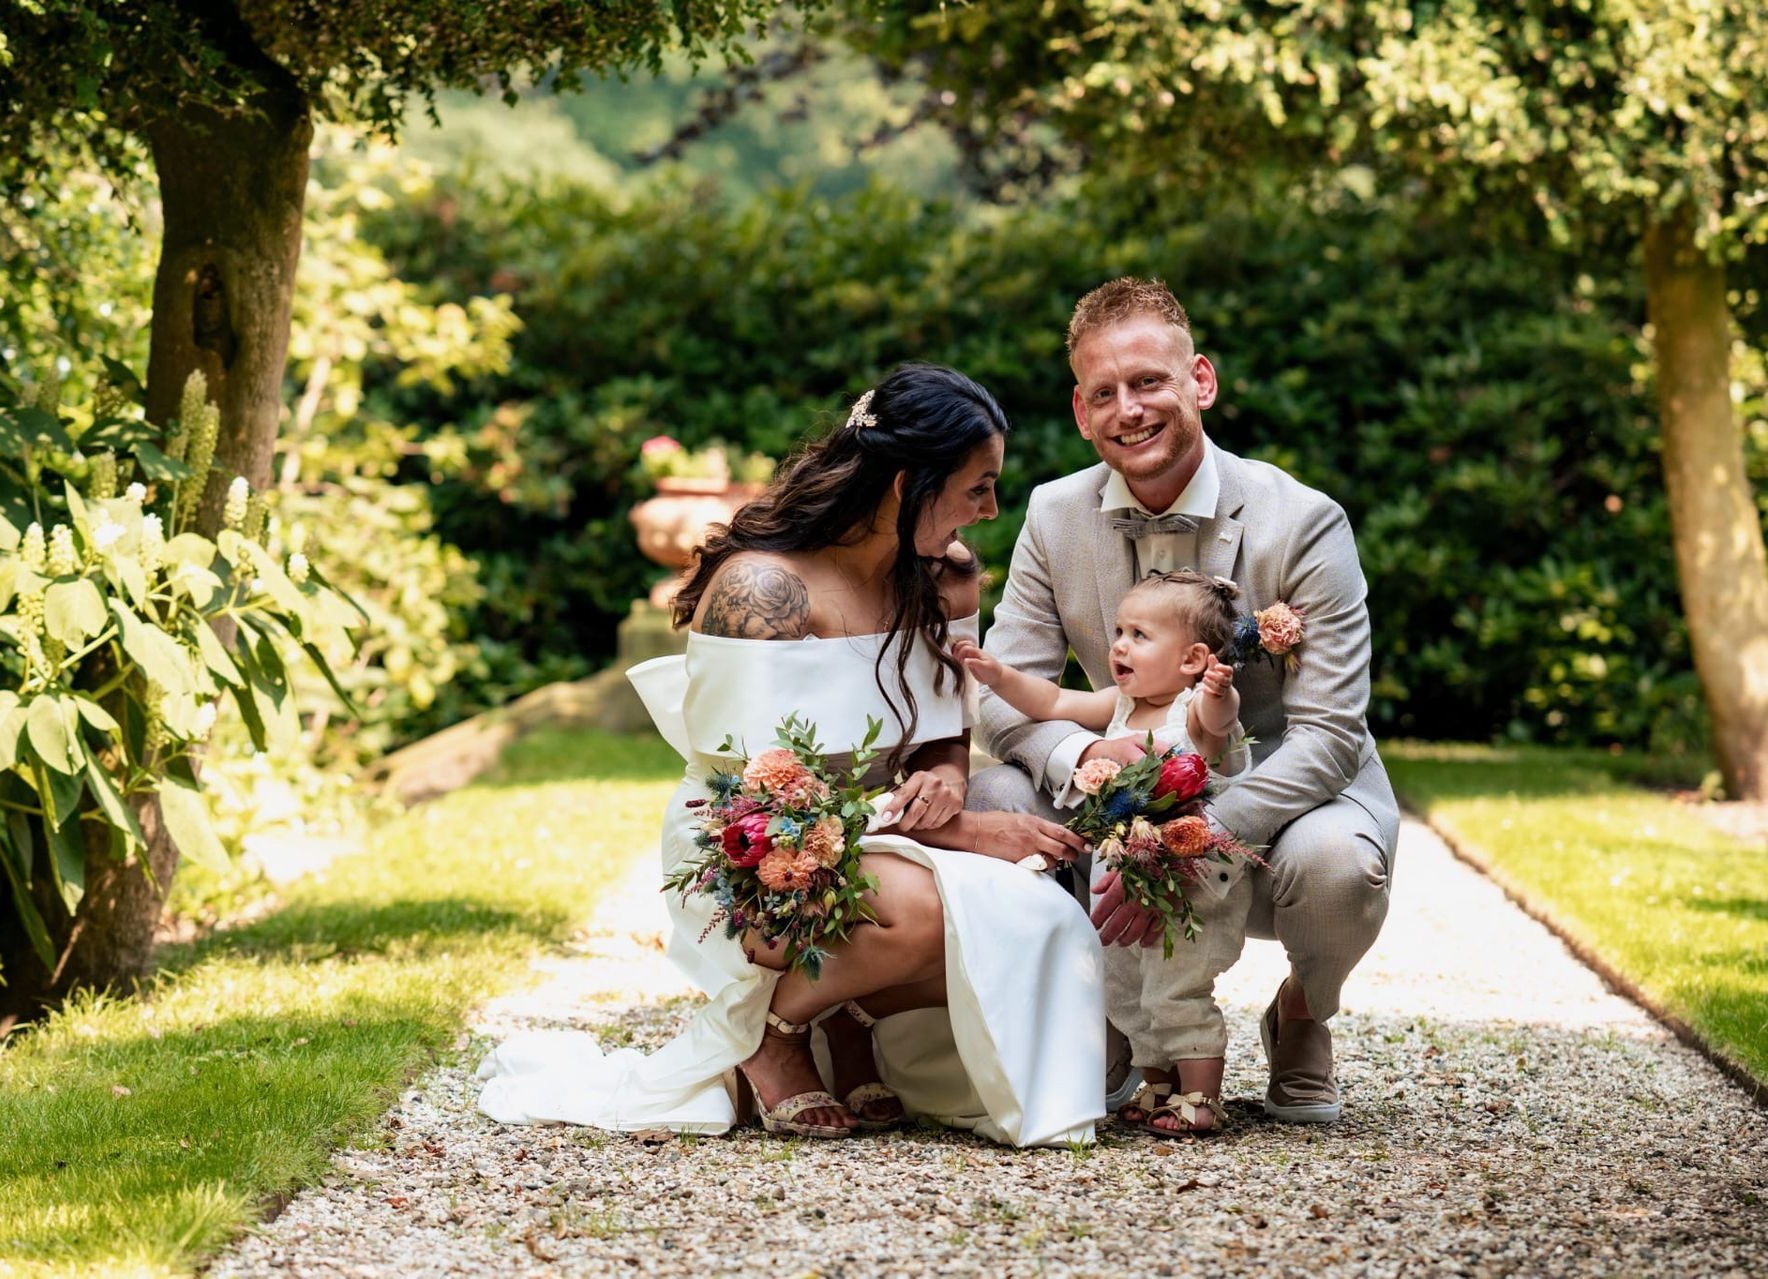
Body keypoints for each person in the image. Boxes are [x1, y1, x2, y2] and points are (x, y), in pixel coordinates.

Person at [478, 362, 1105, 1148]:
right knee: (939, 910)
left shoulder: (945, 578)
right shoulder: (764, 591)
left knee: (1033, 913)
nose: (988, 510)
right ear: (910, 480)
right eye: (977, 487)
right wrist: (962, 834)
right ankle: (772, 1032)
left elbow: (949, 725)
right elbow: (762, 799)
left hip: (879, 835)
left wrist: (946, 780)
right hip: (753, 849)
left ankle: (843, 1020)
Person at [966, 277, 1400, 1125]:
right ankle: (1104, 1013)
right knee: (992, 798)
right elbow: (1004, 697)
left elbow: (1331, 733)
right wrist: (1081, 756)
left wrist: (1195, 836)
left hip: (1273, 785)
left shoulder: (1305, 522)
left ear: (1199, 380)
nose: (1130, 409)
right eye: (1105, 393)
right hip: (1123, 778)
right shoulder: (1053, 514)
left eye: (1149, 382)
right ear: (1083, 412)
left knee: (1340, 865)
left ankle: (1304, 1010)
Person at [957, 569, 1254, 1134]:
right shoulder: (1121, 703)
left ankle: (1200, 1095)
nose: (1119, 644)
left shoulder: (1190, 709)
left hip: (1187, 877)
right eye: (1119, 630)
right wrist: (999, 675)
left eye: (1139, 635)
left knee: (1176, 980)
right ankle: (1156, 1082)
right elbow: (1050, 699)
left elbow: (1219, 726)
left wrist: (1221, 693)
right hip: (1121, 870)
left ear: (1192, 660)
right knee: (1123, 979)